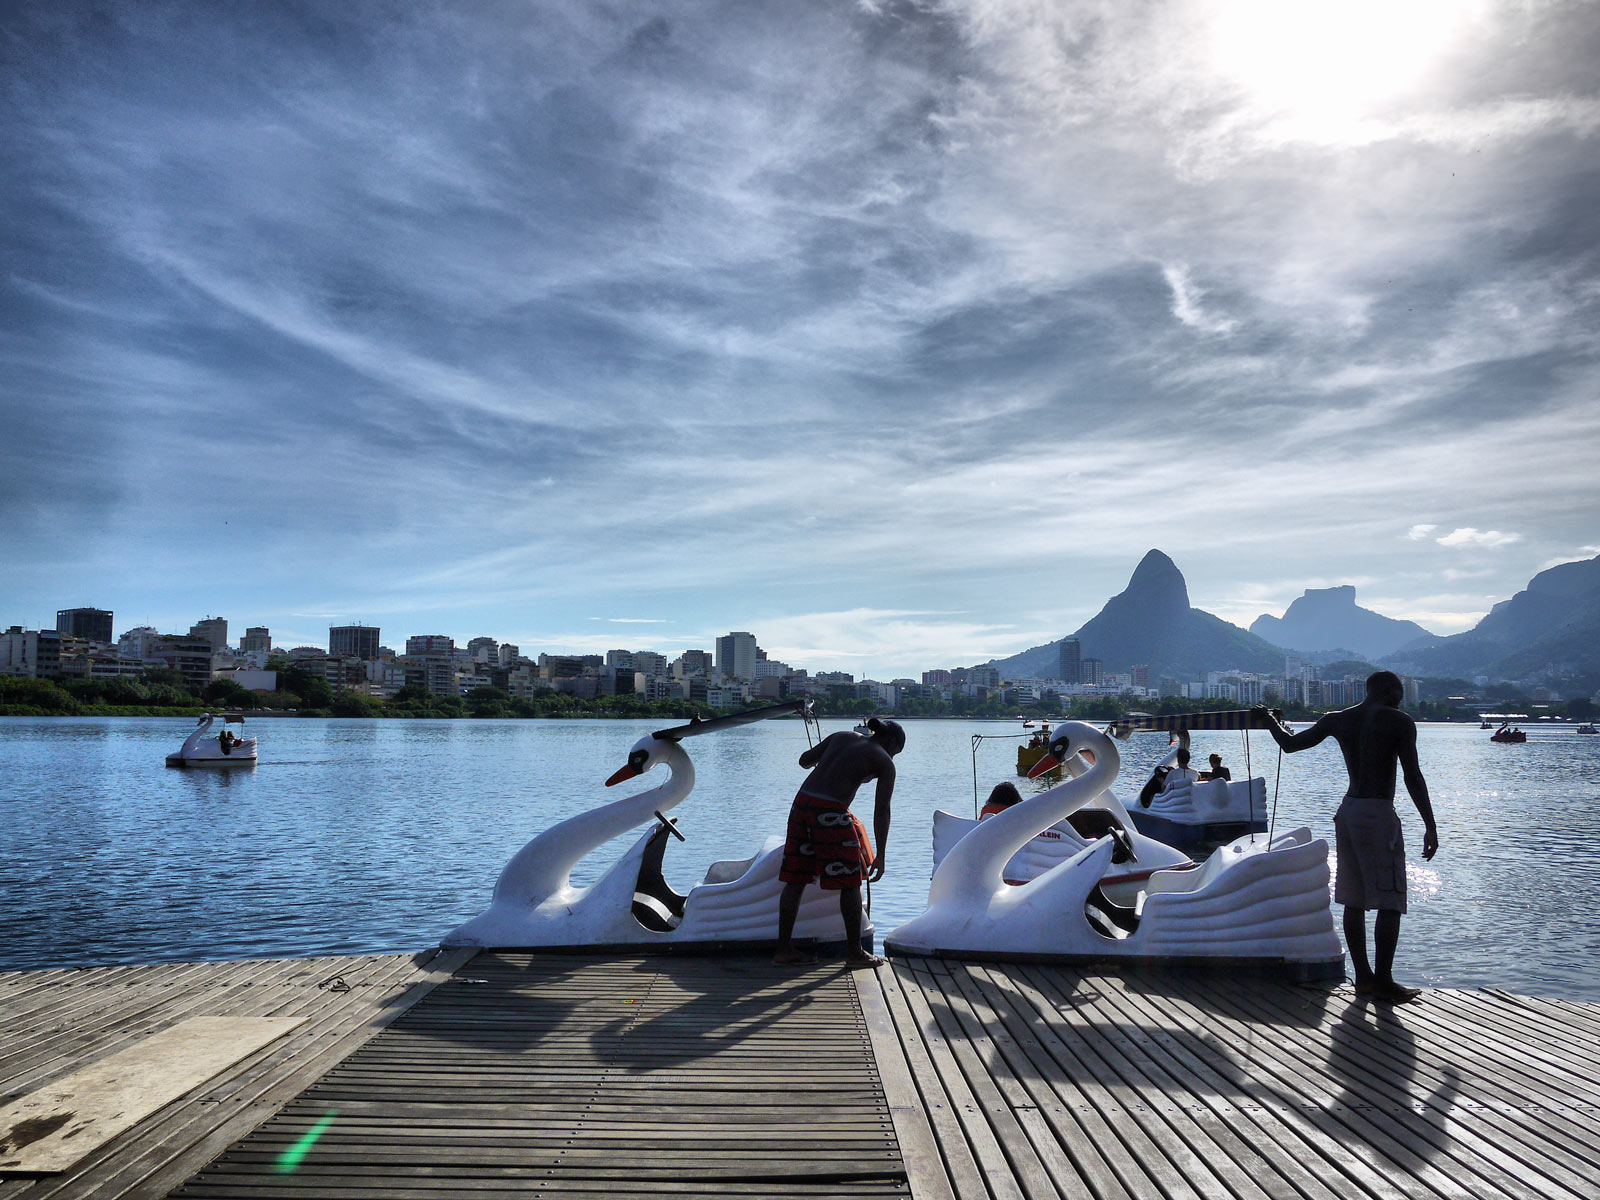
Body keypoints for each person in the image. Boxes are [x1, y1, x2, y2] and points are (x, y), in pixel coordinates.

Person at [1254, 670, 1439, 1003]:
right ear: (1389, 689)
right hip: (1377, 812)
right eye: (1399, 690)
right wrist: (1430, 824)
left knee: (1354, 898)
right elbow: (1412, 775)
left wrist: (1268, 719)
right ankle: (1383, 980)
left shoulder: (1337, 719)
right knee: (1390, 898)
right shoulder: (1399, 721)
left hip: (1349, 812)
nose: (1402, 697)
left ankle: (1364, 979)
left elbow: (1290, 744)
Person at [774, 717, 904, 968]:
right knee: (851, 879)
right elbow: (882, 810)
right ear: (889, 742)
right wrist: (881, 855)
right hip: (830, 811)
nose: (893, 757)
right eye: (895, 752)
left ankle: (783, 949)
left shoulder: (843, 736)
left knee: (796, 877)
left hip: (802, 804)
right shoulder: (884, 761)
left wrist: (824, 762)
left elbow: (804, 760)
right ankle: (855, 952)